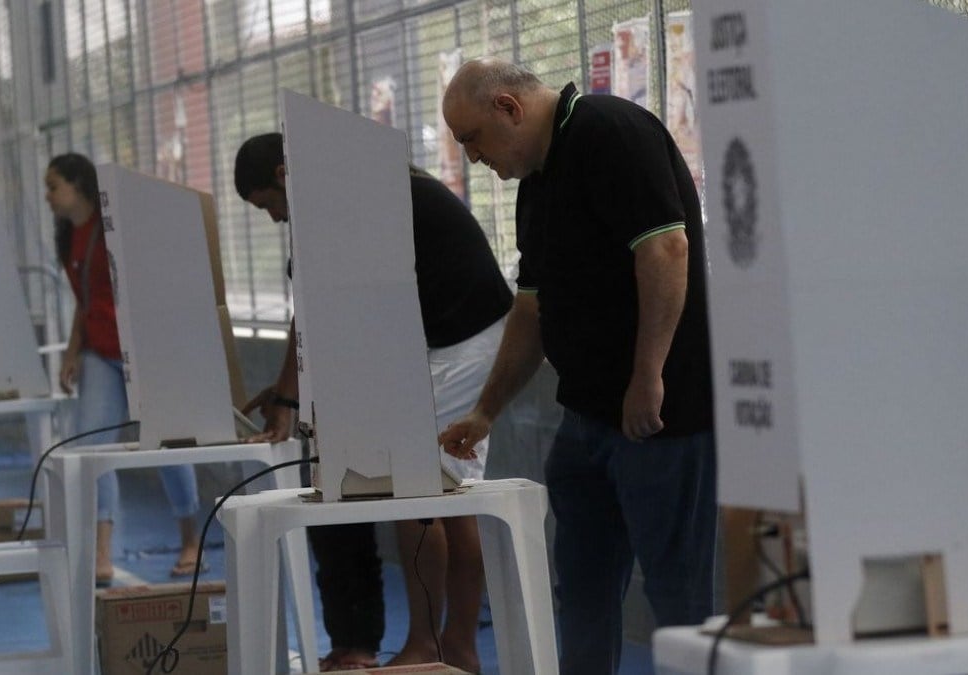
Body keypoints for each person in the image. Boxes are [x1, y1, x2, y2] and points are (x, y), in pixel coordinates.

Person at [438, 58, 718, 674]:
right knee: (583, 588)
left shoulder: (609, 131)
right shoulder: (539, 183)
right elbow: (533, 308)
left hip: (660, 417)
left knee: (678, 594)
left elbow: (667, 248)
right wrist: (487, 409)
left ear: (508, 108)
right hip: (587, 419)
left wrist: (648, 376)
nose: (472, 158)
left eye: (472, 139)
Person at [233, 132, 512, 672]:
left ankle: (431, 646)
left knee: (416, 496)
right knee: (448, 500)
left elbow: (310, 311)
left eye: (269, 205)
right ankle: (455, 647)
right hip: (462, 337)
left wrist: (290, 397)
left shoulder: (339, 199)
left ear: (284, 176)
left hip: (460, 343)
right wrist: (293, 390)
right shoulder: (368, 185)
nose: (274, 220)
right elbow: (325, 309)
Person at [45, 153, 206, 584]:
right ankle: (101, 553)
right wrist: (71, 353)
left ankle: (190, 538)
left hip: (142, 351)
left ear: (79, 185)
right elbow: (83, 302)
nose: (47, 196)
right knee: (94, 451)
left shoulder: (115, 225)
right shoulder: (68, 238)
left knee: (166, 445)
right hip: (99, 354)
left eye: (53, 186)